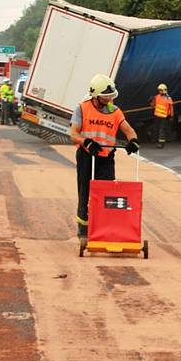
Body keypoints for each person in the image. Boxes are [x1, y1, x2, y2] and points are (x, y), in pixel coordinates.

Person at [70, 74, 140, 238]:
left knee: (107, 191)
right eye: (106, 95)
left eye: (110, 95)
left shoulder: (114, 111)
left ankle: (104, 225)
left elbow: (129, 130)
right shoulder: (82, 108)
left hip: (106, 157)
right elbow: (73, 134)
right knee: (85, 191)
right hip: (87, 154)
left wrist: (133, 141)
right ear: (96, 95)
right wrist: (86, 142)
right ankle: (83, 228)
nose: (109, 98)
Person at [150, 83, 173, 148]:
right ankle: (155, 140)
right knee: (156, 129)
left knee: (162, 130)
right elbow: (153, 106)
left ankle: (161, 143)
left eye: (160, 90)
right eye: (159, 90)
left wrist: (171, 116)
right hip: (157, 116)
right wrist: (151, 101)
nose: (159, 91)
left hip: (164, 117)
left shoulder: (168, 98)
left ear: (164, 90)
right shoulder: (157, 97)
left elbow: (171, 107)